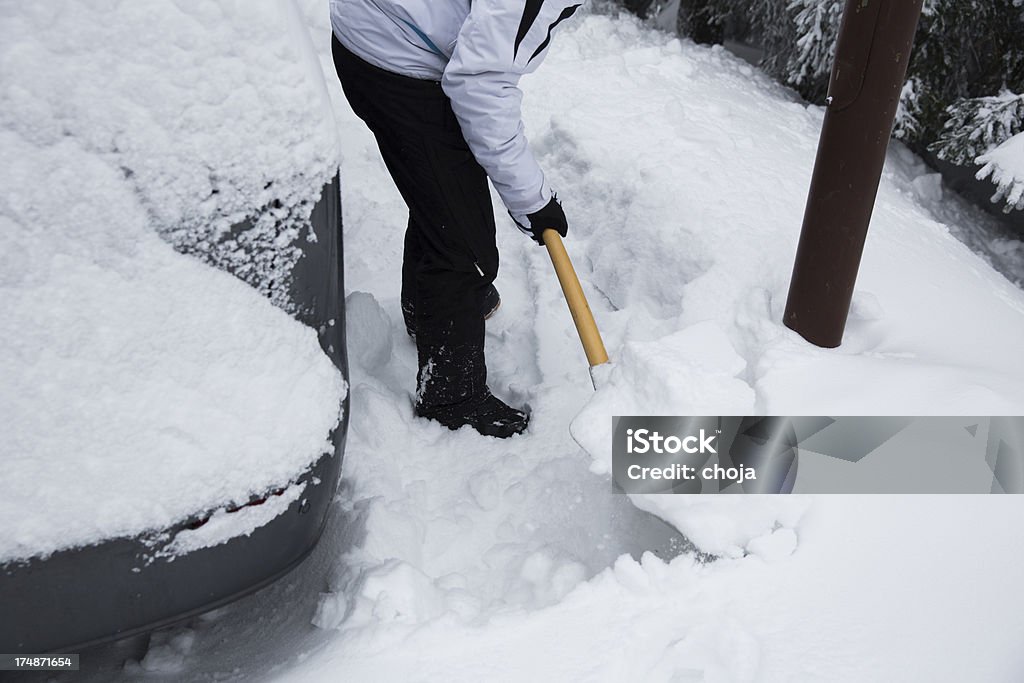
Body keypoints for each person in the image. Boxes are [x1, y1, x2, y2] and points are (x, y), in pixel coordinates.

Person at [329, 0, 582, 438]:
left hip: (381, 26)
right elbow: (479, 85)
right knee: (466, 247)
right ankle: (452, 398)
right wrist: (533, 201)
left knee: (442, 197)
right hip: (393, 55)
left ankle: (427, 310)